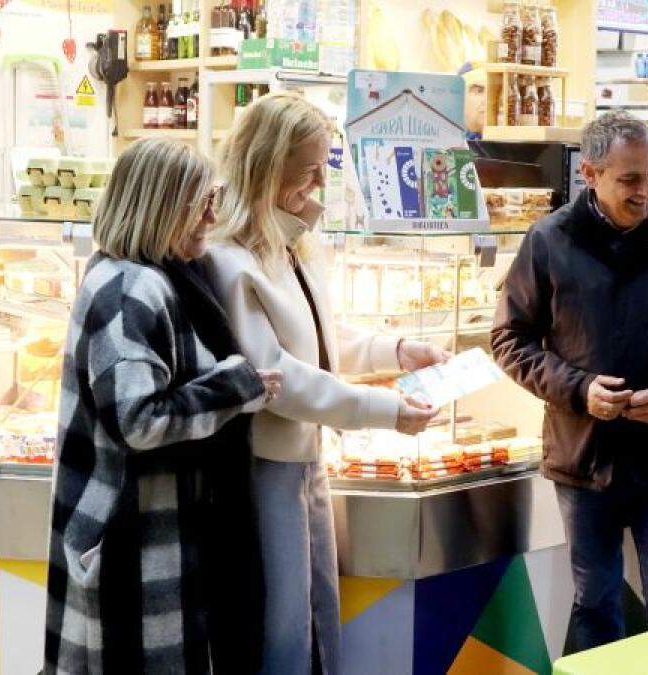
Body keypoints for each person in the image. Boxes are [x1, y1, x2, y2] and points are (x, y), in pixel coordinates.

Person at [204, 92, 445, 674]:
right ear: (267, 162)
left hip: (306, 458)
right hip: (264, 462)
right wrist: (381, 409)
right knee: (280, 621)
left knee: (312, 611)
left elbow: (318, 338)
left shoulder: (292, 243)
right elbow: (276, 377)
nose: (319, 181)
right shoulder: (228, 258)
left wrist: (395, 350)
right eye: (308, 168)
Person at [491, 110, 648, 651]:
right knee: (595, 605)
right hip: (584, 459)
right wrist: (578, 389)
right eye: (630, 178)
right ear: (589, 174)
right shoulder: (548, 240)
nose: (647, 191)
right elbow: (509, 339)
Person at [44, 138, 283, 674]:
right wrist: (235, 387)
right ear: (158, 206)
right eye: (200, 202)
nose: (212, 216)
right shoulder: (132, 290)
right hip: (134, 541)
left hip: (146, 535)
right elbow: (138, 420)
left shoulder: (146, 276)